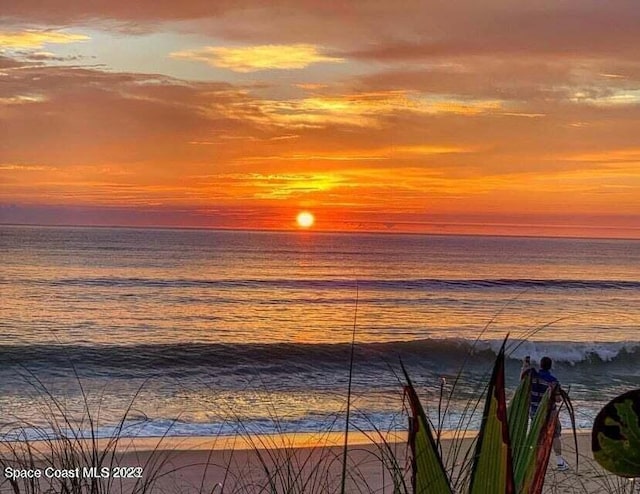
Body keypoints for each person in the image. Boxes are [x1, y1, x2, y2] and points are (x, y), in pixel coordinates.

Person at [521, 356, 569, 471]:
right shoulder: (553, 380)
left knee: (536, 434)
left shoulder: (532, 376)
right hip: (549, 412)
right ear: (550, 366)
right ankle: (560, 462)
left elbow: (523, 377)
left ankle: (532, 461)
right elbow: (557, 399)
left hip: (534, 410)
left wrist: (525, 364)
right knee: (555, 434)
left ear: (540, 365)